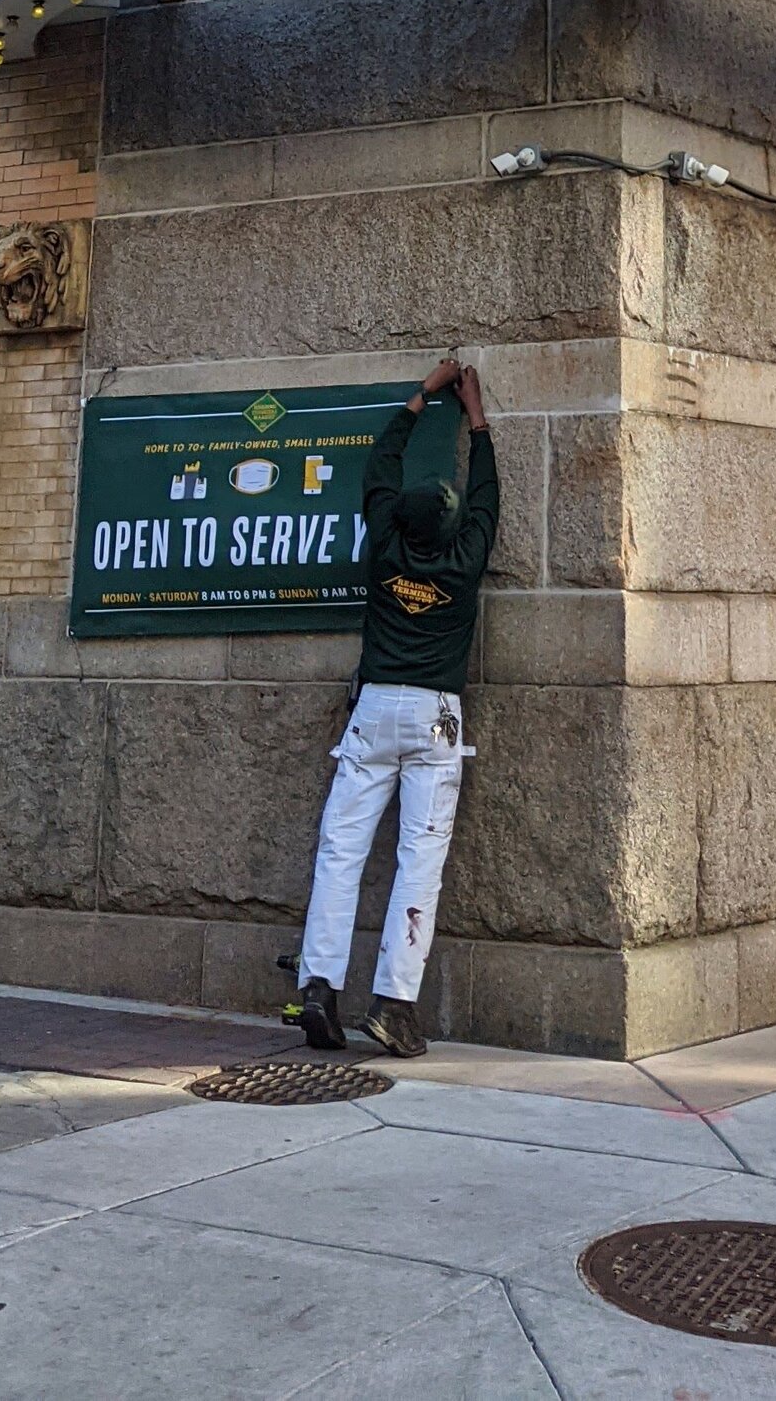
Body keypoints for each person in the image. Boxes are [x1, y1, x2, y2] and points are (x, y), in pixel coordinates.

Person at [294, 353, 498, 1057]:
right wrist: (477, 417)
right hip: (437, 715)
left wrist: (421, 396)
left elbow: (378, 469)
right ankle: (393, 1004)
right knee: (419, 859)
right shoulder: (465, 557)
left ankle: (318, 987)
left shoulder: (384, 543)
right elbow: (488, 497)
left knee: (340, 850)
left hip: (374, 707)